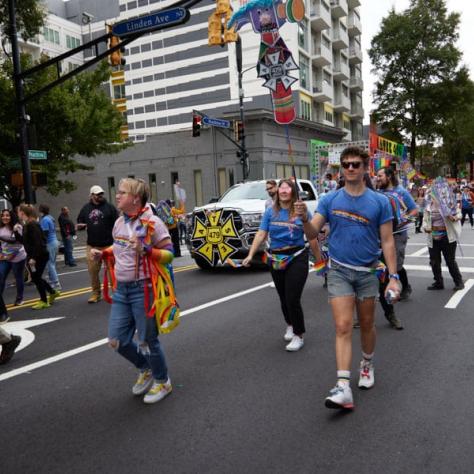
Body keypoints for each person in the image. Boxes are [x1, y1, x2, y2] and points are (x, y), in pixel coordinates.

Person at [295, 146, 400, 410]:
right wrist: (304, 218)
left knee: (366, 324)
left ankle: (366, 363)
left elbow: (387, 241)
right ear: (341, 168)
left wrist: (394, 276)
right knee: (342, 326)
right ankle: (343, 387)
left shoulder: (380, 202)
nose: (350, 168)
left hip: (367, 272)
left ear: (366, 168)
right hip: (339, 271)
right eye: (346, 164)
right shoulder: (330, 200)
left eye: (355, 164)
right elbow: (311, 233)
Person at [90, 178, 173, 404]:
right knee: (116, 340)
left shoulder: (152, 222)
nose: (117, 195)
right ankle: (144, 368)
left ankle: (162, 380)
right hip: (122, 290)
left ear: (135, 198)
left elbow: (170, 254)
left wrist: (147, 250)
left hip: (144, 289)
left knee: (148, 340)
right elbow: (119, 247)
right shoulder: (119, 223)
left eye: (122, 192)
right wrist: (105, 253)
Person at [243, 179, 311, 352]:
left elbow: (312, 235)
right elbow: (261, 234)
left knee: (292, 297)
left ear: (293, 191)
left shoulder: (301, 210)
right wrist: (250, 255)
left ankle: (299, 334)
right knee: (283, 297)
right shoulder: (270, 212)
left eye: (288, 187)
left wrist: (319, 259)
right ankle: (290, 323)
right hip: (276, 258)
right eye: (282, 187)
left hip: (297, 256)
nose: (284, 190)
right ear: (278, 192)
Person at [376, 167, 418, 300]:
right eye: (377, 176)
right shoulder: (377, 193)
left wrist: (403, 222)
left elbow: (414, 211)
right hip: (382, 234)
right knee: (382, 263)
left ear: (388, 177)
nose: (377, 178)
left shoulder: (401, 192)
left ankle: (406, 286)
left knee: (397, 264)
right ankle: (386, 290)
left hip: (398, 234)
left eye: (380, 176)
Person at [77, 185, 119, 303]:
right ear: (91, 196)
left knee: (112, 270)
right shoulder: (85, 208)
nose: (100, 196)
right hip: (92, 246)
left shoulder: (109, 207)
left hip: (108, 245)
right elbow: (80, 222)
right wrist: (80, 226)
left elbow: (118, 224)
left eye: (101, 194)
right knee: (93, 271)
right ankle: (96, 293)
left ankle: (116, 292)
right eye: (97, 194)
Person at [17, 204, 60, 309]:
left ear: (22, 212)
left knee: (36, 278)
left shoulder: (32, 224)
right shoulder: (27, 224)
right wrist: (16, 232)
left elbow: (39, 242)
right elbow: (24, 242)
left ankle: (44, 300)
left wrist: (33, 258)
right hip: (36, 255)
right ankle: (52, 292)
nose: (17, 213)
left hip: (39, 255)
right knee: (36, 278)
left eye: (18, 211)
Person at [423, 191, 464, 291]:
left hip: (447, 237)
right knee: (434, 262)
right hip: (433, 237)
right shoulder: (428, 207)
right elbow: (425, 220)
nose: (432, 197)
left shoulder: (448, 204)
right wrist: (425, 227)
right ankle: (438, 282)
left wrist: (453, 217)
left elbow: (459, 214)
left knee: (450, 261)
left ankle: (459, 282)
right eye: (430, 195)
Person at [0, 209, 27, 306]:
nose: (5, 217)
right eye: (3, 215)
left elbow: (18, 242)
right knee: (1, 276)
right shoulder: (1, 228)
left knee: (18, 277)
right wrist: (1, 253)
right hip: (5, 257)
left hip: (17, 256)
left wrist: (11, 255)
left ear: (11, 217)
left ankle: (19, 298)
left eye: (7, 215)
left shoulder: (17, 227)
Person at [39, 204, 61, 290]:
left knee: (50, 264)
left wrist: (42, 244)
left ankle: (56, 283)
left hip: (50, 243)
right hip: (55, 242)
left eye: (40, 210)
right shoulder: (51, 218)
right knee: (52, 263)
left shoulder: (45, 219)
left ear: (41, 211)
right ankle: (52, 282)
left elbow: (45, 233)